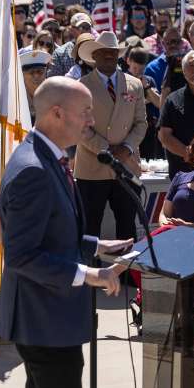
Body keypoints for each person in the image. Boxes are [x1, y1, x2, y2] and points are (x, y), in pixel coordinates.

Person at [0, 77, 127, 388]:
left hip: (49, 319)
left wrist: (99, 245)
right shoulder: (33, 168)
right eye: (85, 111)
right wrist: (89, 274)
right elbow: (24, 254)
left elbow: (58, 233)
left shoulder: (48, 157)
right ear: (56, 114)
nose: (92, 120)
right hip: (44, 320)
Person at [72, 31, 147, 242]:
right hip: (92, 168)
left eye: (112, 52)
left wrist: (127, 148)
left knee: (127, 228)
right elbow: (80, 126)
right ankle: (89, 274)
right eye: (103, 52)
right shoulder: (81, 85)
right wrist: (106, 150)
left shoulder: (134, 84)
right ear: (94, 56)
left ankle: (126, 275)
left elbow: (142, 123)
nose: (108, 56)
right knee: (89, 229)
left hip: (126, 166)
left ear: (119, 55)